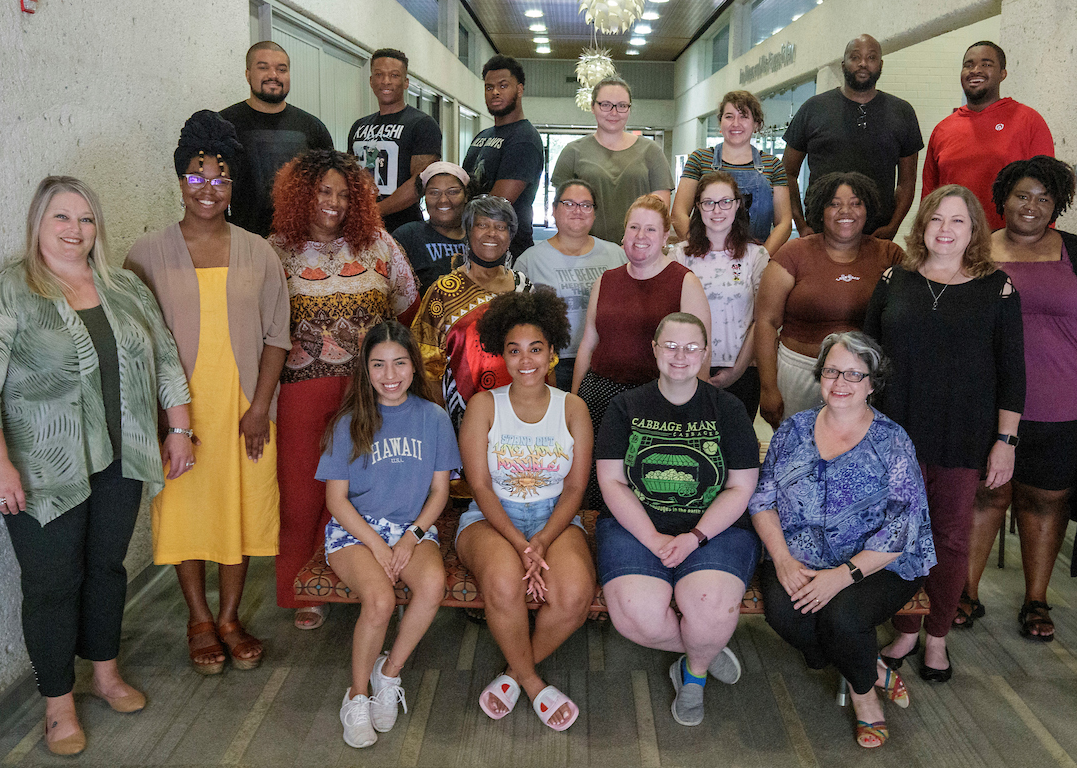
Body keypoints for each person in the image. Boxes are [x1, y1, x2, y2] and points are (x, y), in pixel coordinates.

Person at [0, 176, 192, 755]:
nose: (75, 230)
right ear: (38, 223)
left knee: (106, 569)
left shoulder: (123, 287)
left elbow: (163, 354)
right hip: (42, 467)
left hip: (122, 456)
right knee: (52, 583)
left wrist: (180, 427)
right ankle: (58, 705)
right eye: (61, 217)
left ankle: (106, 674)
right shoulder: (9, 290)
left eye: (86, 219)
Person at [125, 110, 291, 677]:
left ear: (233, 186)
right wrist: (165, 423)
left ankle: (229, 617)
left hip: (244, 409)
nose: (207, 189)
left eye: (220, 178)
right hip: (180, 416)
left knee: (239, 510)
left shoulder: (259, 252)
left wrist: (260, 408)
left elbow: (277, 337)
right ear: (178, 180)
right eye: (196, 176)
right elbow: (136, 346)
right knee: (188, 512)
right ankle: (197, 619)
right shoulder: (145, 255)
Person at [959, 157, 1077, 640]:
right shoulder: (974, 251)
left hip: (1064, 405)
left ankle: (1036, 599)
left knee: (1044, 501)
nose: (1032, 206)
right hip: (987, 405)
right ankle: (965, 592)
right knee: (985, 496)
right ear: (1003, 199)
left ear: (1058, 204)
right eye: (1022, 196)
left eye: (1044, 198)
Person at [865, 184, 1024, 682]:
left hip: (962, 436)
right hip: (896, 436)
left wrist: (1006, 441)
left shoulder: (997, 289)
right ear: (922, 226)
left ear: (974, 229)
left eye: (957, 221)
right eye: (936, 220)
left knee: (950, 538)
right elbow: (866, 358)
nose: (945, 230)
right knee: (897, 534)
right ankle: (906, 628)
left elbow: (1013, 375)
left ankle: (937, 637)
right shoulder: (895, 279)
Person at [751, 331, 935, 749]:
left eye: (855, 374)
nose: (841, 382)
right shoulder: (793, 430)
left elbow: (903, 526)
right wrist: (780, 558)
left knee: (841, 617)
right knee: (787, 614)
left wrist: (843, 575)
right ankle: (866, 663)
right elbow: (761, 500)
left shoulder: (892, 440)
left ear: (872, 383)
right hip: (798, 556)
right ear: (820, 375)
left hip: (879, 564)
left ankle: (864, 695)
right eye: (832, 370)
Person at [267, 149, 419, 630]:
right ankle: (300, 590)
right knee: (299, 495)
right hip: (298, 393)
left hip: (369, 394)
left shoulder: (379, 245)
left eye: (342, 193)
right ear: (300, 196)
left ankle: (365, 583)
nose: (332, 202)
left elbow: (408, 309)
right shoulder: (273, 251)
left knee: (367, 493)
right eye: (321, 191)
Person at [595, 313, 760, 727]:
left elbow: (740, 488)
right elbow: (612, 481)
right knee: (636, 615)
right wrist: (651, 537)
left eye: (691, 347)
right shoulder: (625, 406)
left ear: (705, 353)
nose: (680, 356)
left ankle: (694, 674)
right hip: (636, 526)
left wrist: (696, 536)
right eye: (670, 345)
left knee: (710, 608)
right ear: (654, 348)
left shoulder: (728, 408)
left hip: (715, 528)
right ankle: (703, 648)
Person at [456, 289, 595, 732]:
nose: (526, 360)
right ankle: (535, 684)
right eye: (514, 350)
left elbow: (575, 487)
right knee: (503, 582)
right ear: (502, 353)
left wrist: (541, 540)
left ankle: (515, 673)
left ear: (553, 352)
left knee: (574, 596)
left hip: (555, 518)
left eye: (536, 349)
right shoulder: (483, 406)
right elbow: (479, 486)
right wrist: (521, 544)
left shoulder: (573, 408)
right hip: (491, 520)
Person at [316, 321, 457, 749]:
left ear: (415, 366)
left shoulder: (433, 418)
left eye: (399, 363)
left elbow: (440, 490)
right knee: (378, 599)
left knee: (432, 585)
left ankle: (388, 673)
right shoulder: (349, 422)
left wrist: (412, 536)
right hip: (355, 530)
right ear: (366, 369)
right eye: (378, 364)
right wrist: (377, 546)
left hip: (411, 529)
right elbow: (336, 501)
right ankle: (357, 695)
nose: (390, 374)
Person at [572, 195, 711, 510]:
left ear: (665, 237)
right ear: (624, 234)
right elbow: (589, 343)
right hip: (601, 396)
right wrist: (575, 401)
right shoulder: (605, 281)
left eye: (650, 229)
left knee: (647, 483)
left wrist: (692, 408)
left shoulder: (684, 281)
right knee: (596, 485)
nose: (640, 236)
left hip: (656, 401)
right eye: (634, 227)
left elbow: (701, 350)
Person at [755, 171, 903, 430]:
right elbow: (766, 322)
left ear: (868, 209)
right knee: (798, 456)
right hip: (799, 373)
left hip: (863, 378)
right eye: (834, 204)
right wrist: (768, 387)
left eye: (856, 203)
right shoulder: (794, 252)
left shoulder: (889, 254)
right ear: (820, 210)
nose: (846, 211)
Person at [782, 35, 923, 239]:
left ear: (880, 64)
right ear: (843, 64)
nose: (863, 64)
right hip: (821, 234)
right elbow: (787, 173)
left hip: (876, 237)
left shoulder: (902, 112)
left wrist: (893, 226)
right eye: (855, 57)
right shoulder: (813, 109)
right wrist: (801, 224)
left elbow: (907, 182)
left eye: (871, 58)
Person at [412, 195, 533, 432]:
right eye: (482, 225)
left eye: (501, 227)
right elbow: (425, 366)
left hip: (520, 414)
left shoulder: (525, 288)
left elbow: (545, 360)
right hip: (458, 418)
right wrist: (440, 425)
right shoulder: (443, 291)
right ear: (468, 230)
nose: (492, 233)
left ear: (510, 236)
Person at [922, 41, 1055, 231]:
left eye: (986, 64)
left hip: (1011, 245)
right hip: (954, 245)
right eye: (968, 65)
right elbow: (929, 196)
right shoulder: (943, 129)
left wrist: (1041, 248)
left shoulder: (1028, 121)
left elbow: (1047, 191)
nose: (975, 70)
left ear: (1003, 74)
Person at [673, 172, 769, 419]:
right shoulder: (679, 256)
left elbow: (762, 320)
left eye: (725, 201)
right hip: (687, 368)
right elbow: (672, 318)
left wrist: (736, 371)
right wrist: (695, 369)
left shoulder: (755, 256)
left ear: (737, 205)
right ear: (698, 207)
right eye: (709, 203)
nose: (717, 210)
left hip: (743, 370)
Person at [514, 179, 626, 390]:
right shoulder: (529, 260)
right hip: (554, 362)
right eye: (569, 203)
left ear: (594, 213)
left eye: (586, 205)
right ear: (554, 210)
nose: (578, 210)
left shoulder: (616, 255)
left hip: (606, 359)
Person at [220, 41, 334, 236]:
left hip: (301, 245)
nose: (273, 75)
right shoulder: (223, 124)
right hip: (239, 242)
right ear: (248, 75)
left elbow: (331, 186)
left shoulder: (313, 128)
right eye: (263, 67)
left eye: (281, 69)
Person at [550, 75, 673, 244]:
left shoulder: (651, 152)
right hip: (584, 252)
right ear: (593, 107)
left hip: (639, 252)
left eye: (622, 106)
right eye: (606, 105)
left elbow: (660, 212)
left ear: (629, 108)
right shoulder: (573, 152)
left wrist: (635, 247)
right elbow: (563, 212)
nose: (614, 112)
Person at [672, 90, 792, 255]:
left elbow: (784, 223)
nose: (736, 123)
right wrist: (702, 251)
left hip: (756, 260)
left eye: (744, 116)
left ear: (756, 123)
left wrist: (760, 258)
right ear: (720, 122)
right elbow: (678, 214)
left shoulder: (773, 165)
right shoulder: (699, 159)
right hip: (705, 256)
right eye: (729, 116)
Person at [346, 48, 443, 234]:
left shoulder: (422, 124)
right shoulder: (358, 126)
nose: (386, 81)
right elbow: (350, 176)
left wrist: (374, 212)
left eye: (394, 75)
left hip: (403, 229)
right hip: (361, 227)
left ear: (406, 82)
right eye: (379, 74)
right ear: (371, 81)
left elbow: (420, 182)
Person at [463, 55, 545, 259]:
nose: (495, 92)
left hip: (507, 249)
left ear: (519, 89)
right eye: (489, 87)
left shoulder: (524, 138)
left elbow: (496, 206)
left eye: (503, 85)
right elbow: (463, 185)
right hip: (475, 243)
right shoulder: (483, 136)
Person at [393, 161, 470, 292]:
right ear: (424, 197)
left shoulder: (480, 236)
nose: (443, 200)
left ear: (466, 196)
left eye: (452, 192)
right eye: (434, 193)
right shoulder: (408, 236)